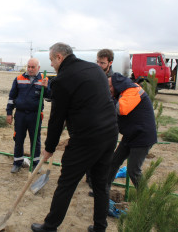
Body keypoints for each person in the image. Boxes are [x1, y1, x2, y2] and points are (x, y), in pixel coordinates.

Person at [31, 43, 118, 232]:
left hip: (86, 139)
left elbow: (57, 118)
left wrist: (49, 147)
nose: (52, 64)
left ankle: (50, 226)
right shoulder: (94, 69)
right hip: (110, 133)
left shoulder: (63, 79)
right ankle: (100, 227)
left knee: (67, 182)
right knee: (101, 183)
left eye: (52, 60)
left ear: (60, 57)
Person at [107, 72, 157, 189]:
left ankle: (145, 200)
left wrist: (108, 98)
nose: (108, 89)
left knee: (133, 171)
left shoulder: (132, 90)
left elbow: (121, 109)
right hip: (131, 135)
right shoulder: (122, 92)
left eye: (109, 86)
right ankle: (103, 192)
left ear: (117, 85)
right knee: (113, 163)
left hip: (142, 137)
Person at [6, 58, 50, 173]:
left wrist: (46, 87)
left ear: (38, 68)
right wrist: (9, 113)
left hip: (35, 115)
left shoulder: (44, 79)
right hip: (20, 114)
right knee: (18, 139)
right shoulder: (19, 79)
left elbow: (50, 97)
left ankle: (35, 164)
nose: (30, 69)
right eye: (28, 67)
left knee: (35, 140)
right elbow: (11, 97)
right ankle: (17, 162)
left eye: (33, 67)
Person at [86, 48, 115, 188]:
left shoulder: (114, 79)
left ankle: (96, 180)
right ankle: (88, 177)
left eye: (102, 63)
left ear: (110, 63)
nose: (99, 65)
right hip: (91, 119)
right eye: (97, 62)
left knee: (100, 153)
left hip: (105, 122)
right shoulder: (93, 74)